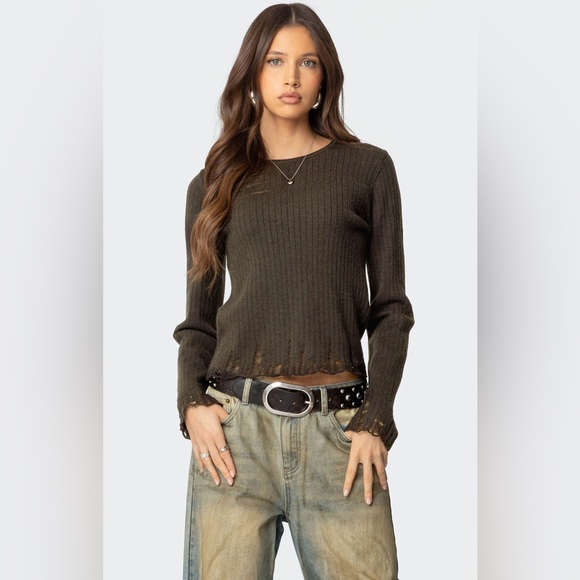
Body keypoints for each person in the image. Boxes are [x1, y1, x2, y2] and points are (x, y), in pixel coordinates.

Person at [173, 3, 414, 578]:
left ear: (324, 74)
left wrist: (375, 419)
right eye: (275, 61)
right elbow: (198, 322)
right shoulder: (213, 183)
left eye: (307, 62)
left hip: (341, 435)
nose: (291, 77)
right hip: (235, 437)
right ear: (252, 72)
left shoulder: (367, 170)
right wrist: (191, 404)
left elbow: (391, 311)